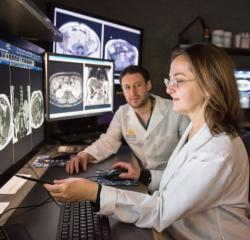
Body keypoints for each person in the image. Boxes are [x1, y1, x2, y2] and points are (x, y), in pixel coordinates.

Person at [45, 43, 250, 239]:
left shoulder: (216, 151)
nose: (169, 89)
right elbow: (180, 179)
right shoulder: (197, 128)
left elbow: (161, 212)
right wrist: (142, 175)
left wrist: (93, 192)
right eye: (169, 80)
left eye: (178, 80)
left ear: (209, 85)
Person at [66, 65, 189, 175]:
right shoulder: (122, 113)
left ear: (148, 85)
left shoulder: (175, 110)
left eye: (138, 85)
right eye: (127, 87)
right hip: (140, 176)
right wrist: (84, 155)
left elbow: (190, 150)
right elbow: (108, 142)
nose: (133, 93)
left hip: (171, 177)